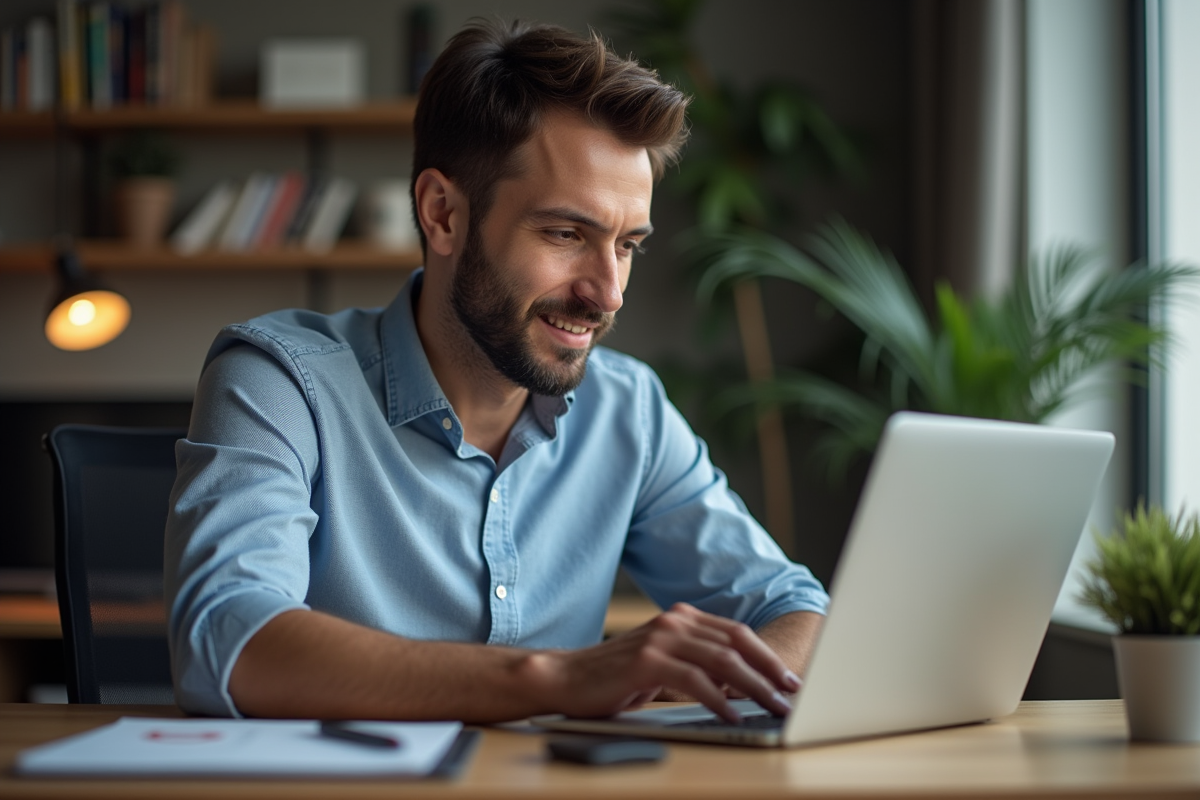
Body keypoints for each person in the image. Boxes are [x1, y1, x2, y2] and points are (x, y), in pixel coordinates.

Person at [164, 19, 829, 725]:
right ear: (442, 213)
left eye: (627, 245)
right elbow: (227, 641)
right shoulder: (279, 380)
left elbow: (795, 612)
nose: (607, 293)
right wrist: (553, 679)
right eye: (566, 234)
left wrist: (674, 686)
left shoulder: (628, 407)